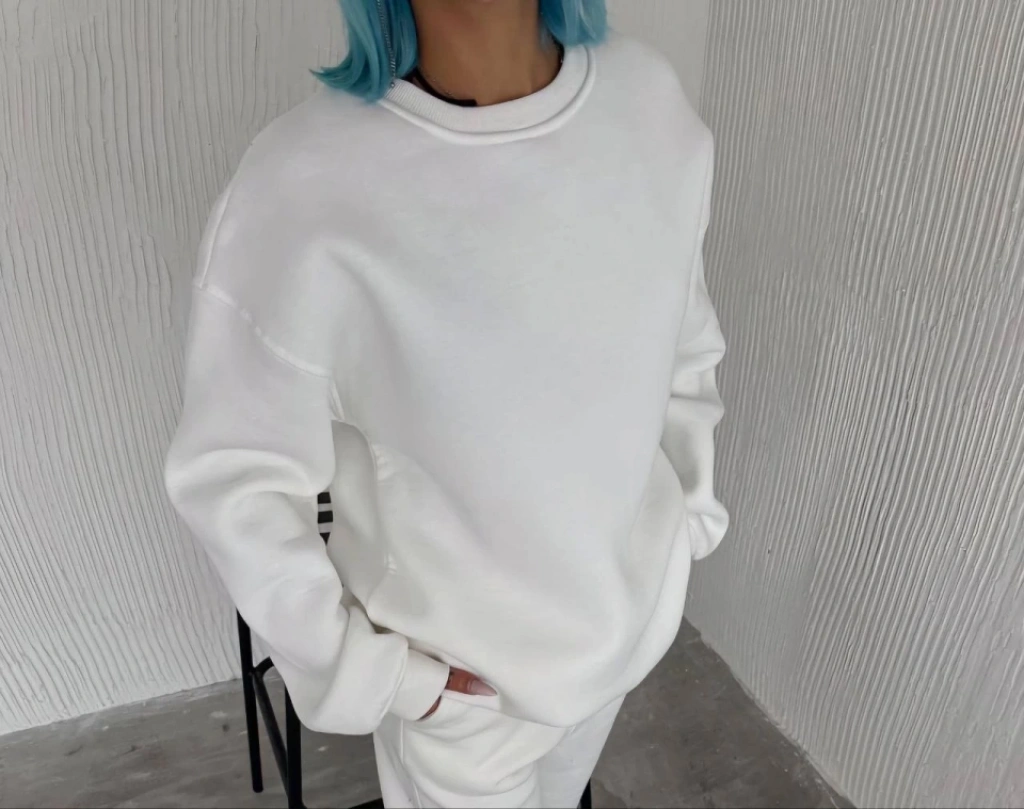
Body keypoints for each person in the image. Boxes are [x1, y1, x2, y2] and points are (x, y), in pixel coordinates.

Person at [164, 0, 728, 806]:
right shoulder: (302, 187)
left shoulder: (646, 103)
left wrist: (689, 521)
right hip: (465, 701)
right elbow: (234, 477)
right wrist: (382, 678)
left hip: (619, 641)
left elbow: (684, 341)